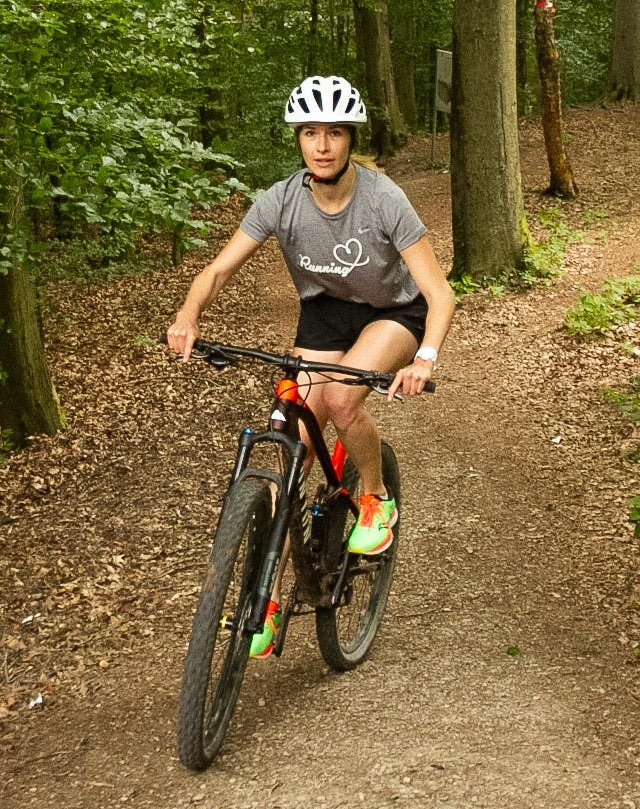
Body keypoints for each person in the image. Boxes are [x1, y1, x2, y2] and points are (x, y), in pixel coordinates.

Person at [165, 74, 454, 563]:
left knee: (341, 400)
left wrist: (424, 358)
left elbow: (440, 293)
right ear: (297, 138)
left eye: (335, 132)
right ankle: (267, 603)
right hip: (324, 314)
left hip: (392, 312)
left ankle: (375, 498)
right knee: (292, 437)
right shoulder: (280, 199)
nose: (322, 146)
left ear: (351, 139)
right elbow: (217, 271)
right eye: (310, 132)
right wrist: (188, 316)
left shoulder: (384, 199)